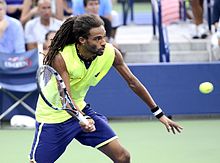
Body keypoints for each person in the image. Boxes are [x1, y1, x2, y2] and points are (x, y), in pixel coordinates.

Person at [29, 14, 183, 163]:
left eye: (104, 37)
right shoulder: (62, 57)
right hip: (53, 117)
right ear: (82, 40)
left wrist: (159, 113)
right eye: (97, 39)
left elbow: (133, 82)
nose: (103, 42)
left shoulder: (111, 53)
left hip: (80, 108)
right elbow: (66, 97)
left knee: (122, 157)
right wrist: (82, 118)